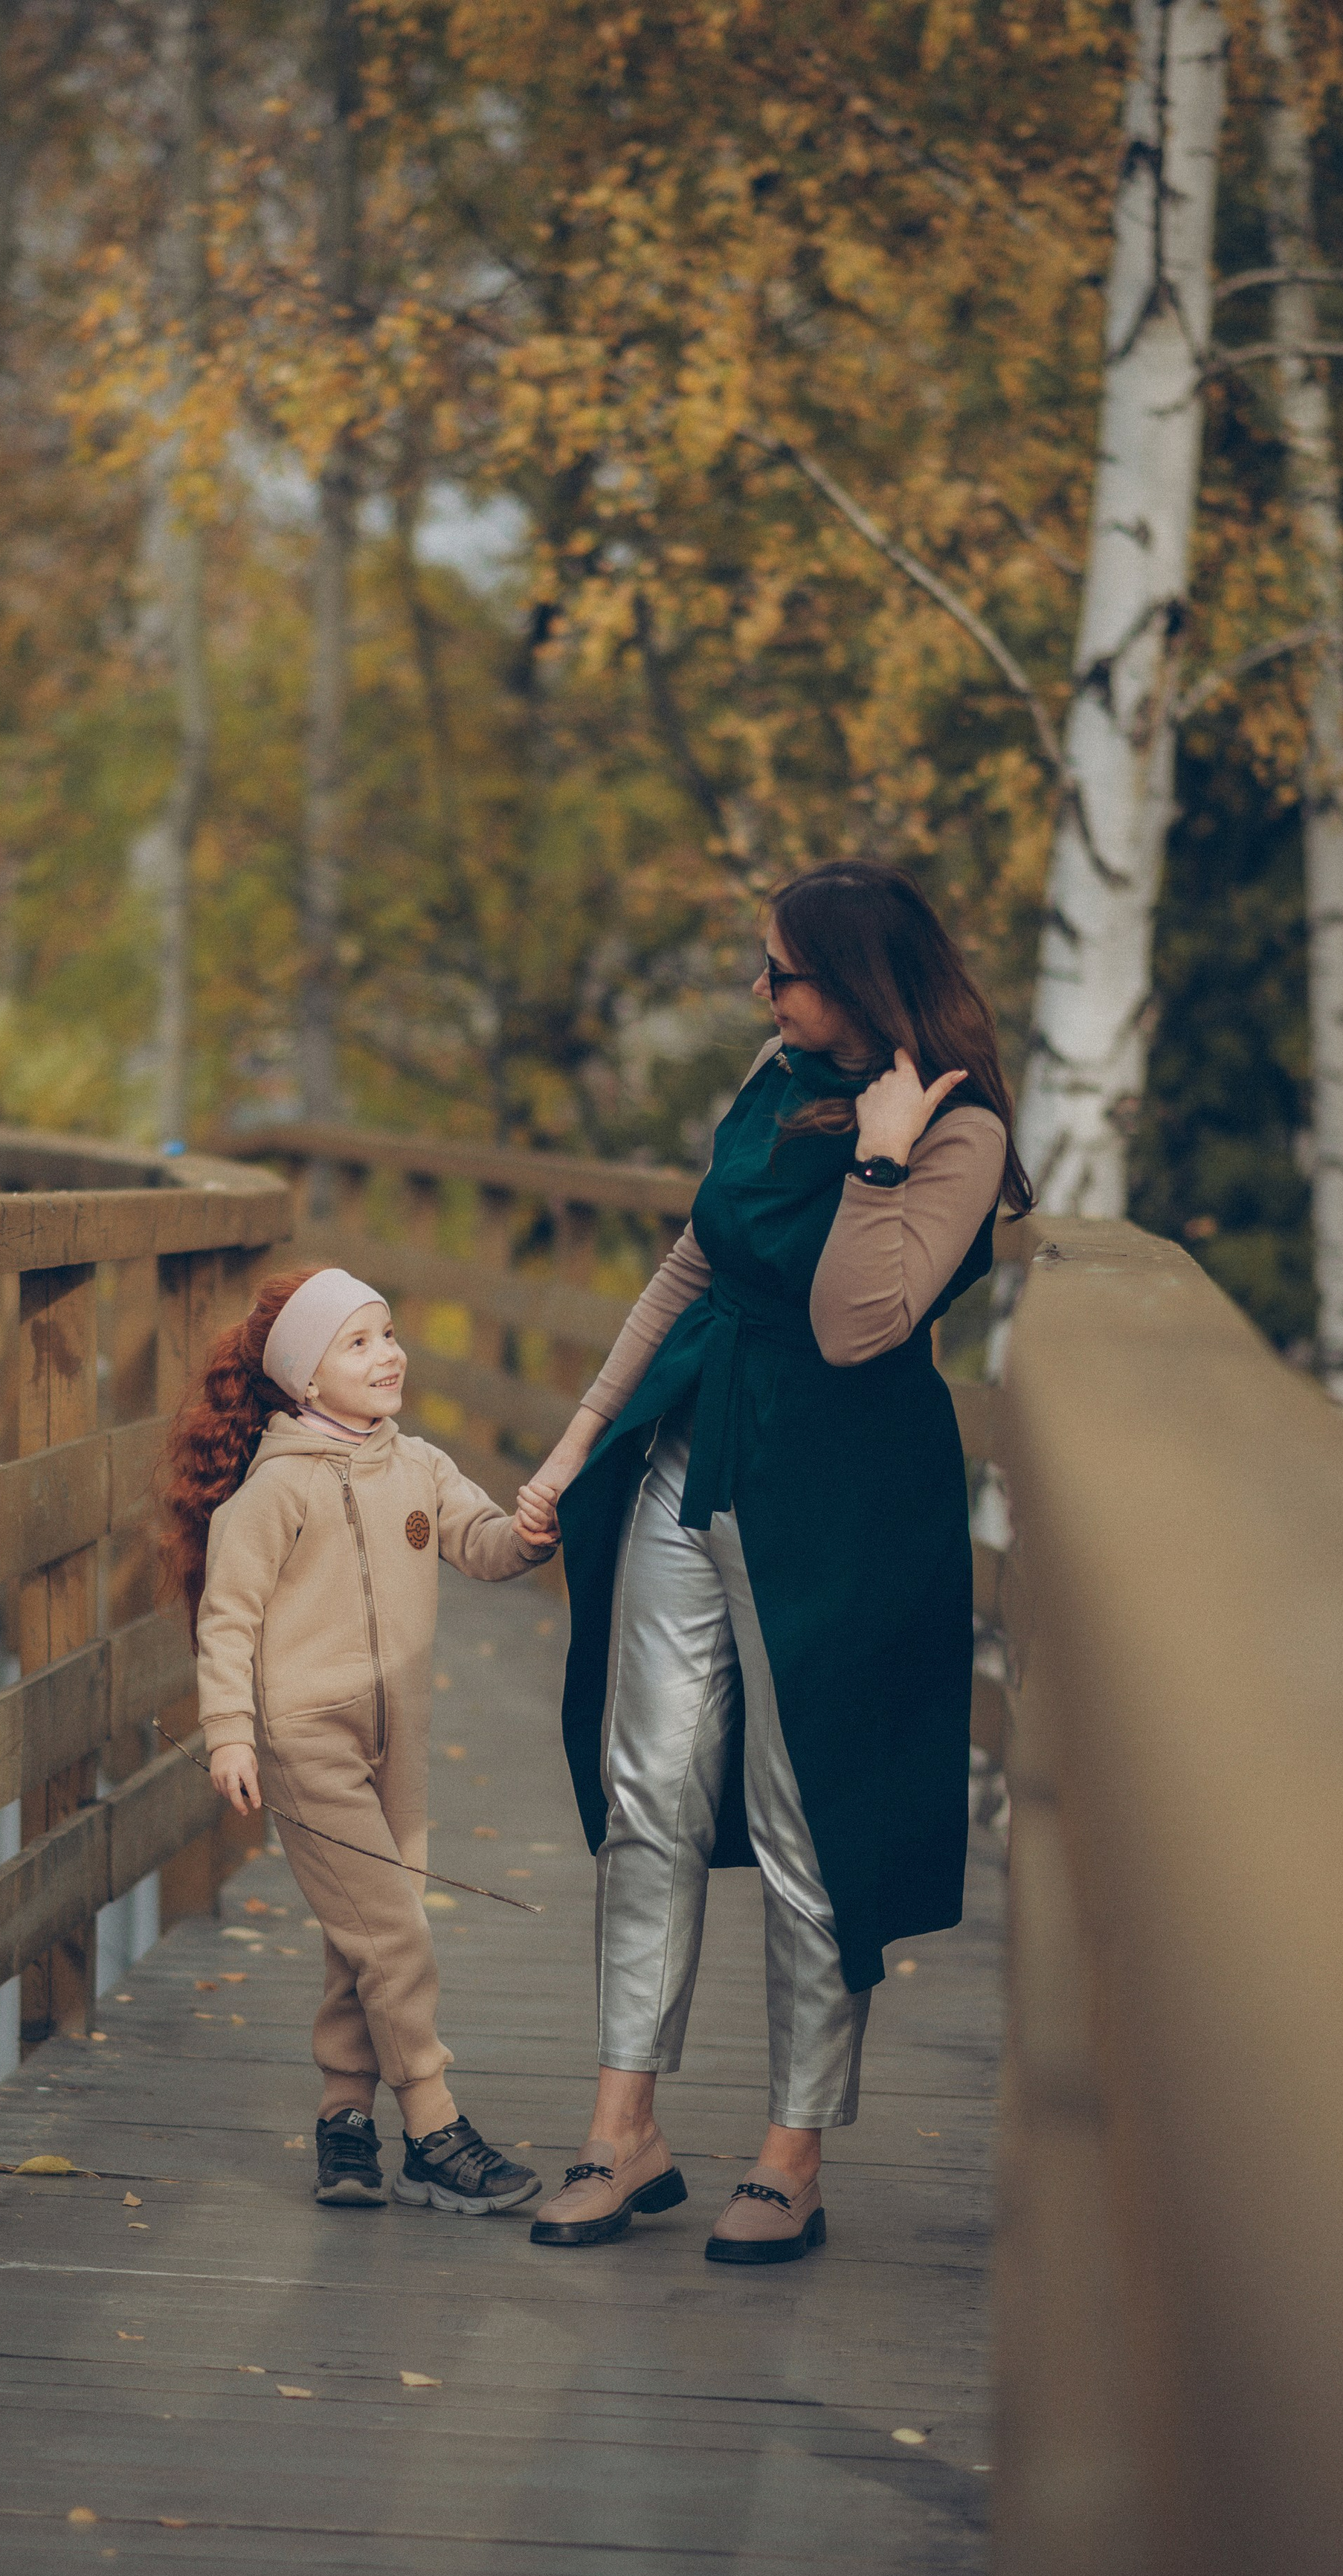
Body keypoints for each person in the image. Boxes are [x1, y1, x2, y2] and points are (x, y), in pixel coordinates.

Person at [516, 860, 1033, 2264]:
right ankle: (622, 2128)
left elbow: (864, 1321)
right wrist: (573, 1451)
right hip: (694, 1452)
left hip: (844, 1498)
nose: (765, 991)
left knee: (807, 1818)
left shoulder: (959, 1129)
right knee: (650, 1789)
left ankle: (792, 2152)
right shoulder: (775, 1068)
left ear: (862, 982)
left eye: (786, 971)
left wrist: (877, 1158)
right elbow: (692, 1265)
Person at [160, 1264, 558, 2215]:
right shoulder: (274, 1490)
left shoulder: (416, 1465)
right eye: (359, 1342)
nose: (388, 1355)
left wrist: (535, 1534)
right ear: (304, 1378)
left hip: (399, 1742)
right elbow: (228, 1619)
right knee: (392, 1932)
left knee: (366, 1932)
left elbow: (483, 1544)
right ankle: (432, 2124)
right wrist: (229, 1735)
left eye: (389, 1333)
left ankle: (345, 2115)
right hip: (306, 1744)